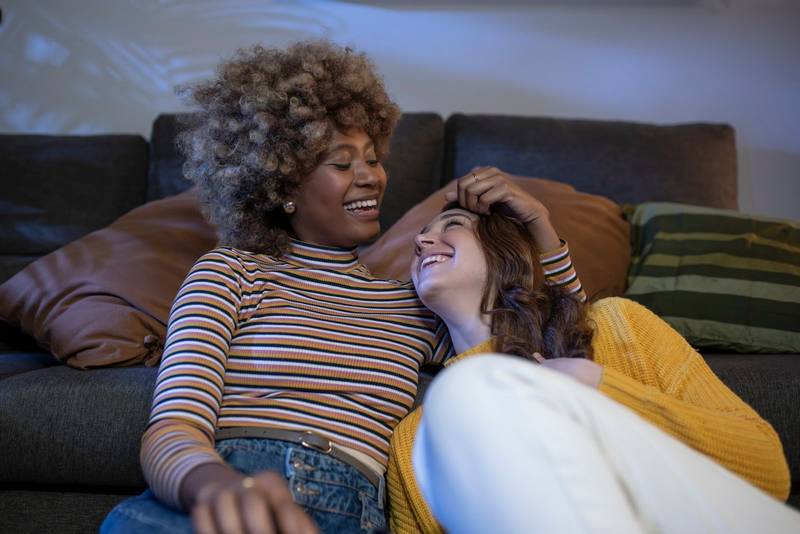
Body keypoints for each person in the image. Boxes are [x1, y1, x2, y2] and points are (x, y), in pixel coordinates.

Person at [100, 41, 581, 534]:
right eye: (342, 163)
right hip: (226, 492)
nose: (371, 177)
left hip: (354, 510)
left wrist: (539, 224)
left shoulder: (416, 303)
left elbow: (562, 342)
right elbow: (172, 426)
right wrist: (219, 487)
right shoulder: (229, 273)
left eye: (373, 159)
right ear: (282, 185)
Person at [385, 178, 800, 534]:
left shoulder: (616, 326)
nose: (421, 241)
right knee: (464, 393)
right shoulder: (414, 439)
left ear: (503, 250)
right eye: (420, 236)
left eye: (452, 225)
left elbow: (768, 472)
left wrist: (594, 383)